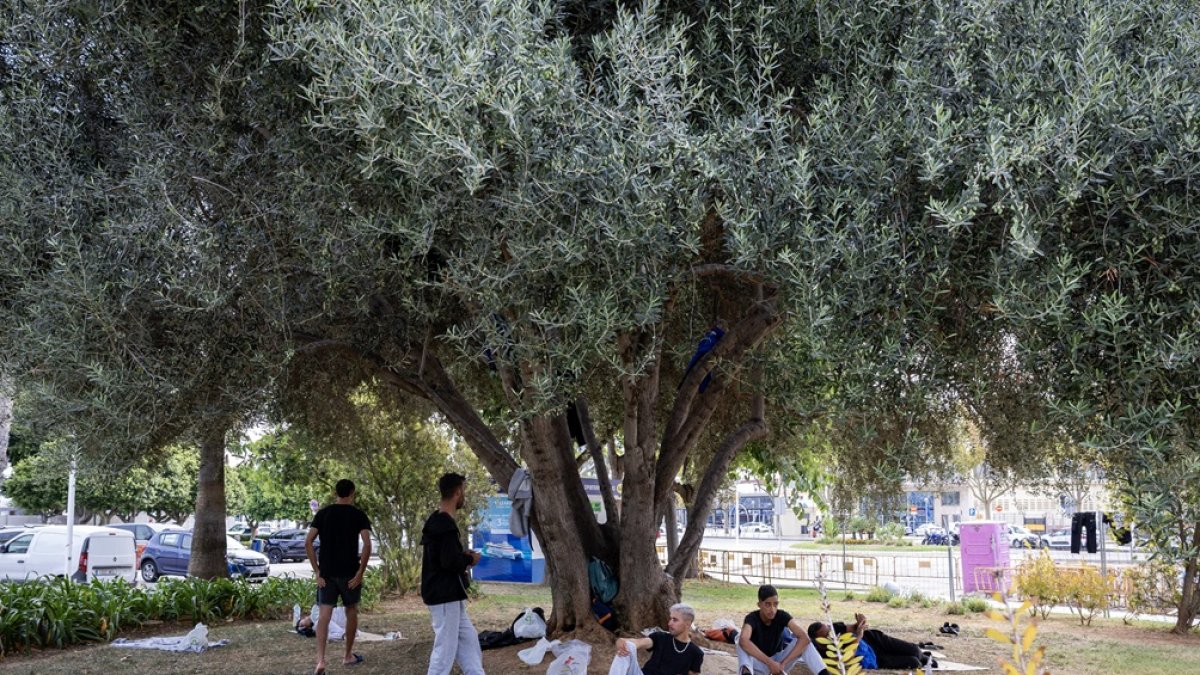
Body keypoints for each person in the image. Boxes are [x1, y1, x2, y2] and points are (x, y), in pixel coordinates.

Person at [306, 479, 373, 675]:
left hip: (326, 573)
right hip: (349, 573)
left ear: (336, 492)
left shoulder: (323, 514)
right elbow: (367, 545)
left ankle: (320, 661)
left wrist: (317, 570)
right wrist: (360, 572)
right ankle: (348, 656)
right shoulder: (358, 515)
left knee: (324, 615)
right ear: (352, 493)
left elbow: (308, 541)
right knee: (351, 610)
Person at [422, 472, 484, 675]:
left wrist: (461, 555)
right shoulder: (444, 525)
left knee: (468, 639)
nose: (463, 495)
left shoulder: (437, 520)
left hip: (450, 594)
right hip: (444, 594)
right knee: (445, 649)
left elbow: (443, 556)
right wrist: (469, 560)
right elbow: (449, 562)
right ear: (458, 492)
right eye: (463, 491)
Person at [737, 585, 829, 675]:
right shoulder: (752, 618)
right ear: (759, 604)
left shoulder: (782, 615)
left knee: (804, 643)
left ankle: (824, 674)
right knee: (740, 639)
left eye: (775, 604)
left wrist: (782, 664)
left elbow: (804, 638)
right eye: (768, 604)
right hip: (758, 664)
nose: (772, 609)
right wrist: (770, 663)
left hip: (779, 664)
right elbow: (743, 640)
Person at [807, 614, 929, 671]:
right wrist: (859, 635)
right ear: (819, 641)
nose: (831, 633)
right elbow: (847, 658)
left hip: (873, 640)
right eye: (827, 634)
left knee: (915, 650)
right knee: (914, 662)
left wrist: (861, 622)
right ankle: (923, 659)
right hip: (871, 657)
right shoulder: (822, 653)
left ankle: (925, 657)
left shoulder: (832, 629)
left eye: (829, 629)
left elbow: (853, 628)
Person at [609, 603, 704, 675]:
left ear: (687, 624)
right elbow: (639, 642)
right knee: (627, 647)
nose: (669, 623)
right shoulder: (661, 637)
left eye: (675, 620)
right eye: (670, 619)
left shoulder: (696, 653)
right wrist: (621, 641)